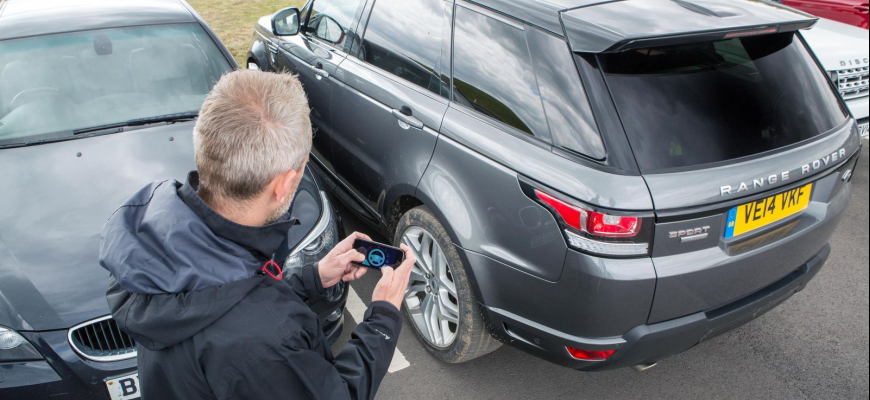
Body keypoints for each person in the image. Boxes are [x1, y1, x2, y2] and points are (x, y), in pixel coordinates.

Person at [99, 70, 415, 400]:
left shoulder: (154, 244)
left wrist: (313, 280)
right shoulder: (267, 341)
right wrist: (383, 317)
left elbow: (222, 300)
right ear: (282, 185)